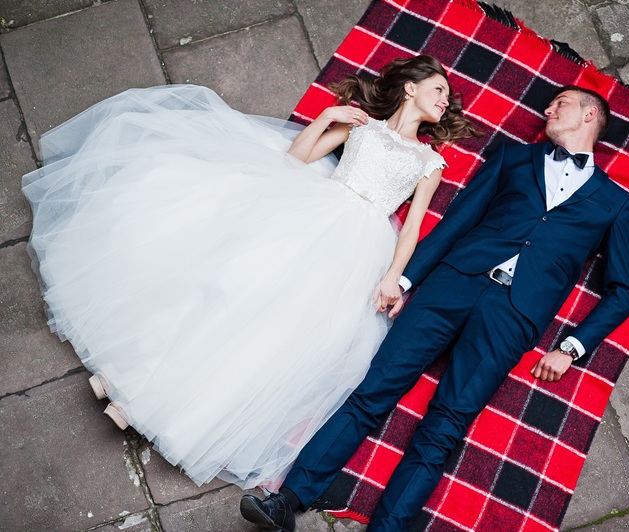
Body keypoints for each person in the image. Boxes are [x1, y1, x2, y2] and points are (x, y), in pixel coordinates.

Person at [22, 55, 479, 490]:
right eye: (438, 89)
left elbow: (412, 226)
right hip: (313, 209)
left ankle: (161, 409)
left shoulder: (427, 162)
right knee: (227, 289)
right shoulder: (362, 126)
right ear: (410, 87)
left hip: (357, 244)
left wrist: (393, 276)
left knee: (269, 331)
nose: (444, 100)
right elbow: (295, 159)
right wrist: (326, 118)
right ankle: (131, 378)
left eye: (446, 96)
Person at [239, 85, 629, 531]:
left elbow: (624, 292)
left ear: (589, 116)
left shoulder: (616, 203)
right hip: (450, 285)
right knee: (374, 389)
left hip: (513, 317)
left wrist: (572, 346)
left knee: (444, 427)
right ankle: (287, 500)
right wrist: (405, 281)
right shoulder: (512, 158)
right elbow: (457, 223)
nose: (548, 109)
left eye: (560, 104)